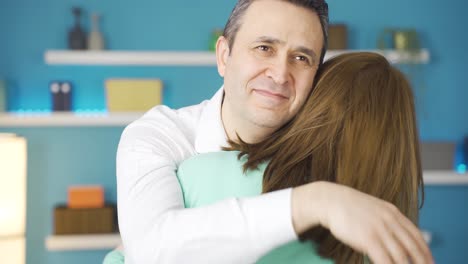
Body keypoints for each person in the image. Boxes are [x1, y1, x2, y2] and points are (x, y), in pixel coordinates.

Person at [115, 0, 433, 263]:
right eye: (265, 48)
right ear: (224, 56)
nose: (281, 74)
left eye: (301, 57)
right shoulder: (157, 135)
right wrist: (316, 202)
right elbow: (149, 252)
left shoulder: (323, 147)